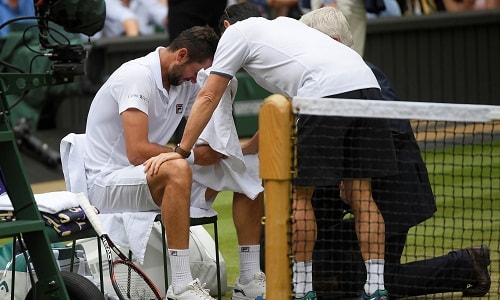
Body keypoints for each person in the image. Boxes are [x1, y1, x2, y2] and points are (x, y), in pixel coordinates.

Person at [157, 2, 399, 299]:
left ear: (226, 27)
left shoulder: (237, 34)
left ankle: (302, 290)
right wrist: (249, 148)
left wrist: (181, 150)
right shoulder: (289, 28)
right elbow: (284, 110)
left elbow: (208, 95)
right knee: (362, 194)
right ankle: (377, 288)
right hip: (367, 85)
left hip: (323, 93)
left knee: (300, 195)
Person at [299, 6, 491, 298]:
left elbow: (390, 128)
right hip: (361, 199)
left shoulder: (364, 75)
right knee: (330, 278)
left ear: (335, 43)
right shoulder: (327, 79)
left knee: (372, 284)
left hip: (394, 197)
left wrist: (350, 174)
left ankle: (466, 264)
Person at [83, 26, 221, 299]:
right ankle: (181, 286)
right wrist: (184, 155)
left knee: (242, 166)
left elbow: (209, 142)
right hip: (105, 182)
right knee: (178, 169)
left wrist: (212, 153)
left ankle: (249, 277)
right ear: (181, 55)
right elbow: (136, 151)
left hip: (144, 175)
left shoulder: (185, 82)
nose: (196, 80)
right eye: (196, 71)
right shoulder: (137, 76)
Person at [88, 0, 168, 39]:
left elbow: (164, 16)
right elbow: (129, 21)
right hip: (114, 56)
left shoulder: (145, 1)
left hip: (146, 54)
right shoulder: (104, 2)